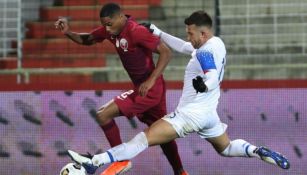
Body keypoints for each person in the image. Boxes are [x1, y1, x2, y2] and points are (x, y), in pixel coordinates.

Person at [67, 10, 290, 174]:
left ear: (202, 34)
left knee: (141, 140)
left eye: (190, 33)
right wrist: (158, 32)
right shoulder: (216, 43)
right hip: (209, 115)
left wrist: (206, 84)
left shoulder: (204, 52)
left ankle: (93, 163)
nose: (188, 37)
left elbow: (210, 73)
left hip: (190, 115)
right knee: (227, 147)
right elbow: (184, 48)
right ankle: (257, 151)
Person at [55, 3, 188, 175]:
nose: (106, 29)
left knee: (103, 114)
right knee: (162, 132)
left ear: (120, 17)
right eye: (104, 25)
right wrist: (68, 33)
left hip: (150, 89)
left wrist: (150, 80)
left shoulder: (136, 31)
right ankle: (180, 172)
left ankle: (120, 161)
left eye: (109, 24)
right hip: (147, 89)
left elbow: (166, 52)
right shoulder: (112, 30)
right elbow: (88, 39)